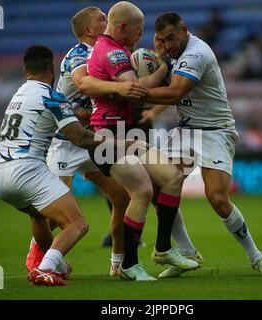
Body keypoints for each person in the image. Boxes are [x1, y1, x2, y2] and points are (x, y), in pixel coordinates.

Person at [142, 12, 262, 277]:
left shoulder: (197, 53)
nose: (168, 44)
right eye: (162, 39)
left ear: (184, 30)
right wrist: (153, 108)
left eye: (171, 38)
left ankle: (257, 257)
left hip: (216, 130)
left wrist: (138, 92)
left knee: (217, 198)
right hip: (186, 130)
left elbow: (176, 91)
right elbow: (171, 87)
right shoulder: (169, 52)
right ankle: (186, 254)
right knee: (158, 187)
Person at [81, 2, 200, 281]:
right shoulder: (113, 54)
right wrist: (162, 70)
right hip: (107, 137)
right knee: (143, 190)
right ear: (123, 27)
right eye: (139, 29)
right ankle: (129, 265)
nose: (141, 35)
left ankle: (161, 249)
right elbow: (135, 90)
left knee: (172, 177)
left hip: (124, 135)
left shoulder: (114, 49)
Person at [0, 45, 117, 286]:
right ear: (52, 68)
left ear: (25, 69)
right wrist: (121, 142)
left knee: (38, 216)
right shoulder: (51, 96)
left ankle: (52, 263)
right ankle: (44, 267)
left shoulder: (18, 94)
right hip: (27, 171)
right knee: (77, 223)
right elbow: (79, 138)